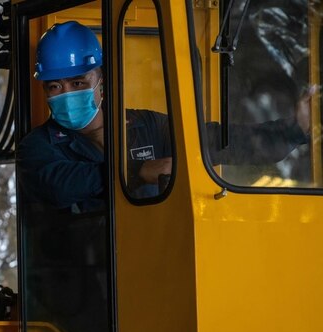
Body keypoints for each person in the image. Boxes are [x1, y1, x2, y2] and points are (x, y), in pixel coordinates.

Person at [17, 21, 312, 212]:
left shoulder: (146, 126)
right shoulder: (37, 147)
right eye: (55, 86)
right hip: (88, 287)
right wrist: (136, 171)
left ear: (101, 81)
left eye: (78, 83)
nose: (66, 93)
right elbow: (60, 185)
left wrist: (293, 130)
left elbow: (221, 141)